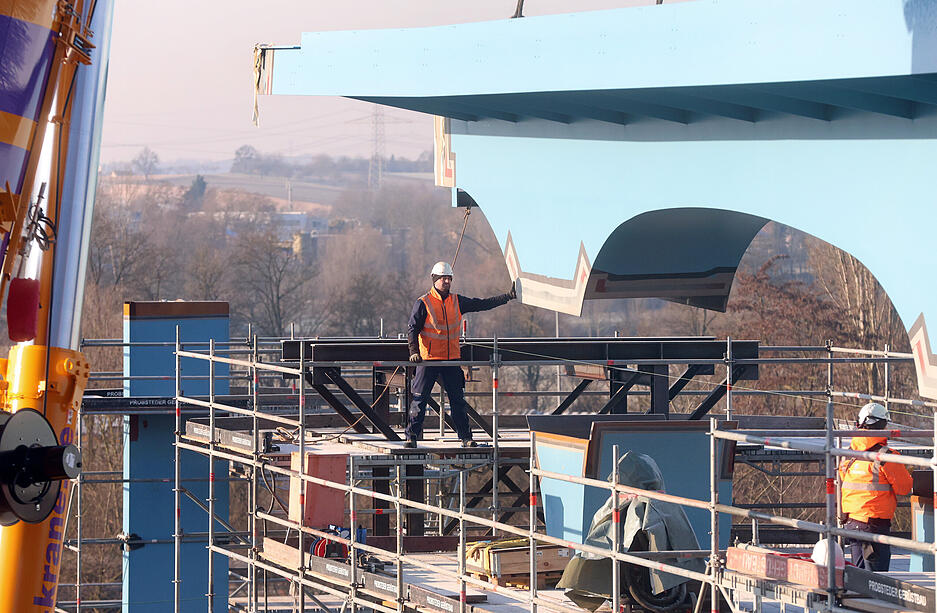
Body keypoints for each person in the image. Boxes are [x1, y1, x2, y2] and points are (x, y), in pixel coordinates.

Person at [405, 261, 515, 448]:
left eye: (449, 278)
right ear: (434, 280)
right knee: (419, 399)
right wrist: (414, 352)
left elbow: (482, 304)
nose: (447, 281)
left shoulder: (457, 301)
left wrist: (507, 297)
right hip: (429, 360)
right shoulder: (423, 303)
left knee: (458, 401)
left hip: (451, 360)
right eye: (443, 278)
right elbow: (412, 329)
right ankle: (411, 437)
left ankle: (465, 437)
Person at [839, 402, 912, 571]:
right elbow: (904, 488)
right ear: (883, 425)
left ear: (860, 423)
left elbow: (843, 476)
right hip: (874, 524)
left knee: (859, 575)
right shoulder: (886, 456)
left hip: (852, 522)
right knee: (877, 581)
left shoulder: (849, 453)